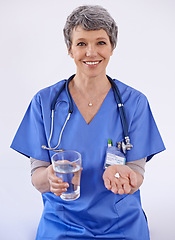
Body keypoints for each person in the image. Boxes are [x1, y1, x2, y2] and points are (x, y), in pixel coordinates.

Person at [11, 5, 165, 240]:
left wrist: (127, 177)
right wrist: (50, 177)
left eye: (101, 42)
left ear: (112, 47)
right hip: (62, 221)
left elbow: (136, 173)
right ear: (70, 49)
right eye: (82, 43)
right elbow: (37, 178)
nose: (91, 52)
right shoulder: (44, 103)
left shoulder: (135, 103)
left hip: (121, 222)